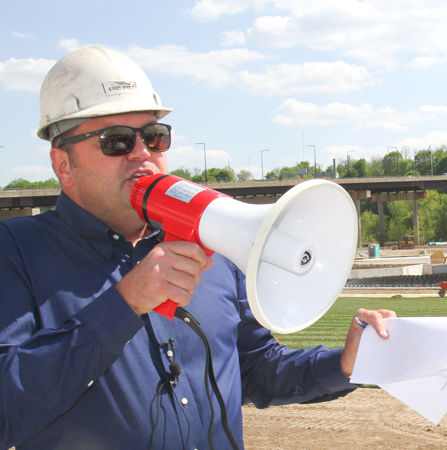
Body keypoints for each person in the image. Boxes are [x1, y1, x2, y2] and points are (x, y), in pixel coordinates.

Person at [0, 46, 395, 450]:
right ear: (63, 165)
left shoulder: (212, 244)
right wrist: (124, 304)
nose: (143, 153)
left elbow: (256, 369)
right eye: (115, 141)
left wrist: (346, 362)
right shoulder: (15, 252)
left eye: (154, 137)